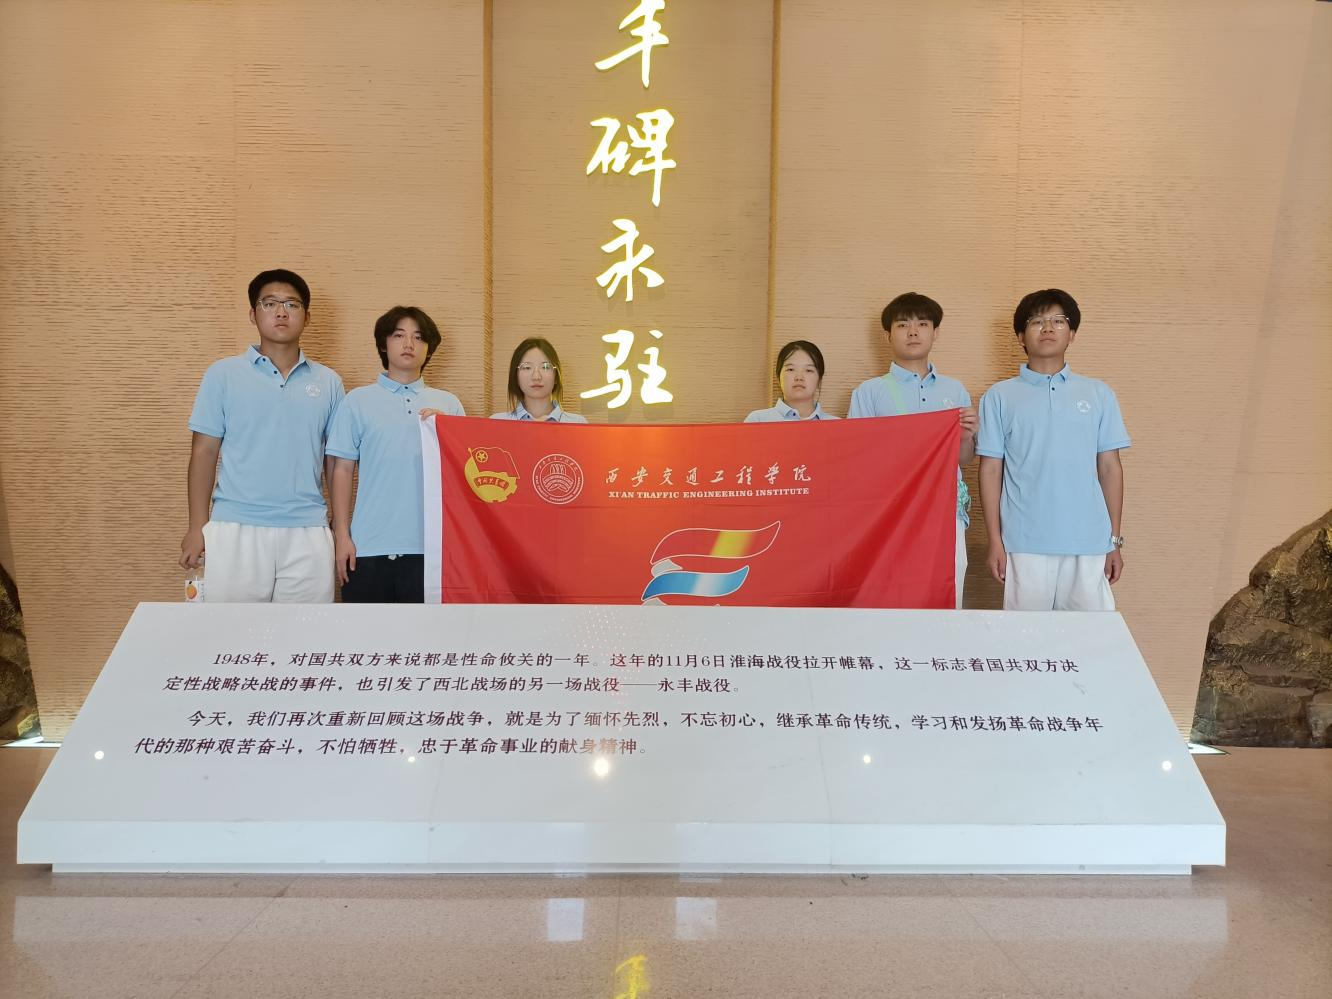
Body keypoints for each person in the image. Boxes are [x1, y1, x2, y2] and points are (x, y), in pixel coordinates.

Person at [179, 269, 344, 602]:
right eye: (270, 303)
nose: (281, 312)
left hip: (308, 529)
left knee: (308, 631)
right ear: (253, 314)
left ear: (307, 317)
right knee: (231, 631)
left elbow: (336, 461)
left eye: (292, 304)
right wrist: (198, 526)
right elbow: (204, 452)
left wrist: (341, 530)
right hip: (236, 526)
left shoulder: (328, 382)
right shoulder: (223, 374)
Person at [977, 288, 1130, 611]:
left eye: (1058, 321)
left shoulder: (1098, 394)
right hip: (1024, 541)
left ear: (1071, 334)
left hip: (1088, 540)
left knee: (1088, 636)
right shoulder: (999, 397)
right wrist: (995, 541)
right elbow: (990, 470)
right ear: (1021, 336)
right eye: (1036, 321)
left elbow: (1109, 468)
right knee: (1027, 637)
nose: (1047, 328)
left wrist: (1113, 540)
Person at [326, 306, 464, 603]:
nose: (409, 343)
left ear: (429, 349)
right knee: (367, 633)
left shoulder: (448, 404)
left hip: (433, 549)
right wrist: (342, 536)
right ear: (383, 344)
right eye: (399, 335)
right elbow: (342, 470)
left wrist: (447, 430)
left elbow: (463, 476)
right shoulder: (357, 401)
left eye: (418, 337)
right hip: (367, 547)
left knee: (430, 634)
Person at [847, 292, 976, 608]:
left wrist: (965, 436)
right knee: (892, 594)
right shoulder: (869, 392)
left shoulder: (954, 390)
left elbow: (964, 459)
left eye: (923, 324)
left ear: (936, 332)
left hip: (945, 509)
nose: (913, 331)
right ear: (888, 335)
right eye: (903, 324)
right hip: (890, 514)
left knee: (948, 590)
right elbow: (858, 460)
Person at [491, 338, 588, 423]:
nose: (536, 377)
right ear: (516, 376)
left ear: (556, 376)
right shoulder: (497, 422)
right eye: (527, 367)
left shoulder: (577, 423)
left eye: (545, 367)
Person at [745, 341, 839, 422]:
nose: (799, 377)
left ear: (819, 380)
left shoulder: (837, 425)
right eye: (790, 369)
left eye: (808, 370)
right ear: (778, 378)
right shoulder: (758, 420)